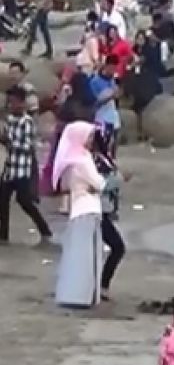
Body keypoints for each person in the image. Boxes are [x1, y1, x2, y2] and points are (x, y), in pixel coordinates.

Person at [52, 122, 105, 307]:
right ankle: (82, 296)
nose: (92, 140)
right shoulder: (83, 160)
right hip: (88, 208)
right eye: (89, 136)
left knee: (77, 254)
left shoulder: (71, 159)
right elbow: (99, 184)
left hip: (78, 208)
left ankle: (75, 293)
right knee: (87, 256)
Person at [0, 85, 53, 245]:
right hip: (10, 168)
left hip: (23, 168)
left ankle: (45, 230)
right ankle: (3, 235)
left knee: (24, 202)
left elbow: (28, 146)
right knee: (2, 202)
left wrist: (8, 142)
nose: (11, 105)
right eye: (9, 102)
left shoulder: (27, 122)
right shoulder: (10, 120)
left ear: (23, 103)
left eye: (14, 102)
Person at [94, 126, 126, 301]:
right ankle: (102, 285)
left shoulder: (105, 160)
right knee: (118, 247)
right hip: (98, 211)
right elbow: (101, 184)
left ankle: (100, 284)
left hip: (103, 211)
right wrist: (120, 179)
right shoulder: (98, 162)